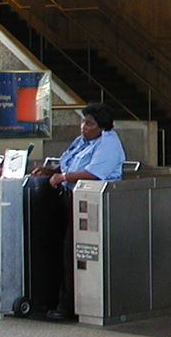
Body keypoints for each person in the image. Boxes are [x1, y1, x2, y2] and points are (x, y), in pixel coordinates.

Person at [30, 102, 125, 320]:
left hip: (89, 200)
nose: (83, 127)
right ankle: (52, 299)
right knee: (59, 247)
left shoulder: (108, 144)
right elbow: (69, 163)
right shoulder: (83, 141)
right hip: (67, 197)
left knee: (74, 251)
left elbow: (94, 172)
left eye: (89, 123)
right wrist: (52, 170)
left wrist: (63, 178)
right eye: (83, 121)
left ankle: (70, 306)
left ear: (102, 127)